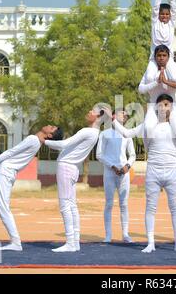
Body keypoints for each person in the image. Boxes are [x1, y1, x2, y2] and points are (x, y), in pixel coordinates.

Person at [110, 94, 176, 253]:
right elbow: (127, 133)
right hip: (153, 172)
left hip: (172, 172)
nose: (163, 107)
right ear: (156, 107)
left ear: (172, 108)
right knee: (151, 208)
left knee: (175, 207)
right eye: (160, 104)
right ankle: (150, 243)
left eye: (167, 104)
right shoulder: (148, 126)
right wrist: (112, 120)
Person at [0, 125, 63, 251]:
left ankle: (16, 242)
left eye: (51, 128)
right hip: (8, 172)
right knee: (2, 208)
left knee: (3, 208)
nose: (48, 125)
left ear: (49, 135)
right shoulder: (36, 142)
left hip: (6, 171)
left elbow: (11, 152)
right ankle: (15, 241)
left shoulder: (32, 139)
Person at [44, 108, 104, 252]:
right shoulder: (95, 133)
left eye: (92, 111)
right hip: (73, 168)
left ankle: (71, 242)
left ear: (98, 117)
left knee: (65, 205)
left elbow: (64, 144)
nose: (89, 111)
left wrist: (44, 141)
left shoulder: (87, 131)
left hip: (66, 167)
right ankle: (74, 242)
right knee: (71, 205)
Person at [96, 109, 136, 243]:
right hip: (109, 172)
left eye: (125, 114)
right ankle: (108, 235)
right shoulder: (105, 134)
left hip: (124, 173)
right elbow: (99, 155)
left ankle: (125, 234)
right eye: (121, 113)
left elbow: (132, 155)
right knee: (109, 204)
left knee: (124, 204)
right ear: (112, 116)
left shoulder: (127, 134)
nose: (124, 115)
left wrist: (127, 166)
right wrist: (112, 166)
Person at [139, 45, 176, 142]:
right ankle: (150, 153)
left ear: (168, 57)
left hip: (172, 107)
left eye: (164, 55)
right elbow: (141, 89)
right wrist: (156, 82)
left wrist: (166, 82)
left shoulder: (172, 71)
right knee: (147, 128)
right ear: (155, 57)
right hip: (154, 106)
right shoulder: (150, 73)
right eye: (159, 55)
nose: (161, 58)